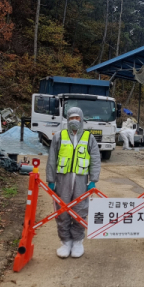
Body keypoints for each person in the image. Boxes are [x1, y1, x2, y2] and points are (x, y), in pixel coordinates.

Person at [46, 107, 101, 258]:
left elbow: (95, 159)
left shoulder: (89, 138)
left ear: (81, 119)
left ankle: (77, 241)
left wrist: (93, 180)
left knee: (80, 210)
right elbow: (52, 159)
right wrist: (50, 180)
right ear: (67, 120)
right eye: (72, 118)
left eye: (77, 118)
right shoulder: (59, 136)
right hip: (62, 180)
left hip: (82, 181)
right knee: (62, 210)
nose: (74, 121)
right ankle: (65, 242)